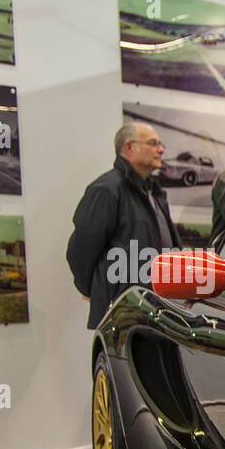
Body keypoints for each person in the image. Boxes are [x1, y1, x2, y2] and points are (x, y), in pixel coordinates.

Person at [66, 122, 180, 329]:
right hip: (122, 315)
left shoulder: (153, 193)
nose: (161, 149)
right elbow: (81, 249)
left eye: (160, 144)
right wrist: (98, 290)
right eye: (153, 143)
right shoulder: (106, 190)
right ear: (129, 147)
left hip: (157, 311)